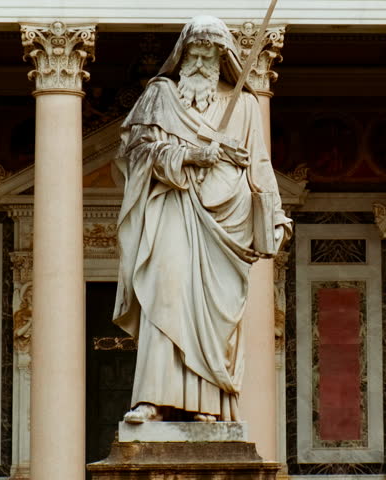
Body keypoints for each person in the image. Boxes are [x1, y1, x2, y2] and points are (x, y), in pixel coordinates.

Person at [112, 15, 292, 424]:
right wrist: (191, 155)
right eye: (194, 49)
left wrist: (275, 216)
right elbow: (133, 153)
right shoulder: (161, 96)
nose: (200, 58)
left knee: (214, 315)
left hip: (226, 222)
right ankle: (152, 399)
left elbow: (259, 167)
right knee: (166, 293)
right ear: (182, 52)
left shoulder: (244, 105)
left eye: (209, 50)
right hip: (171, 210)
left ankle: (207, 404)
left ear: (221, 55)